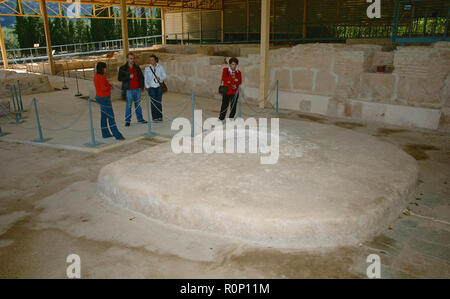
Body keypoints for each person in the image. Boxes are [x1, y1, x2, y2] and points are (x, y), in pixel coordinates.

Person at [94, 62, 125, 141]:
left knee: (104, 116)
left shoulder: (96, 76)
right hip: (104, 98)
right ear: (102, 68)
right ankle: (117, 135)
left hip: (100, 97)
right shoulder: (100, 77)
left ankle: (105, 133)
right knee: (111, 117)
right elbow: (104, 88)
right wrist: (109, 86)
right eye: (105, 68)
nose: (106, 69)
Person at [118, 52, 147, 127]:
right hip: (129, 89)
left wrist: (142, 86)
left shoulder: (137, 67)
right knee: (129, 105)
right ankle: (127, 120)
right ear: (127, 59)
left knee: (138, 105)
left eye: (133, 58)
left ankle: (140, 119)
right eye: (131, 58)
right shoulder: (123, 68)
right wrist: (128, 77)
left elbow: (141, 77)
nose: (132, 60)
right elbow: (119, 78)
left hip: (137, 89)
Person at [144, 54, 167, 122]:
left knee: (158, 102)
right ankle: (155, 117)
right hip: (151, 87)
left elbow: (165, 76)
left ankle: (160, 116)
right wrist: (147, 87)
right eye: (150, 60)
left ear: (156, 60)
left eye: (152, 60)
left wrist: (160, 78)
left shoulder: (160, 67)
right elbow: (146, 78)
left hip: (159, 86)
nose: (151, 61)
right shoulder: (147, 69)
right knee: (153, 102)